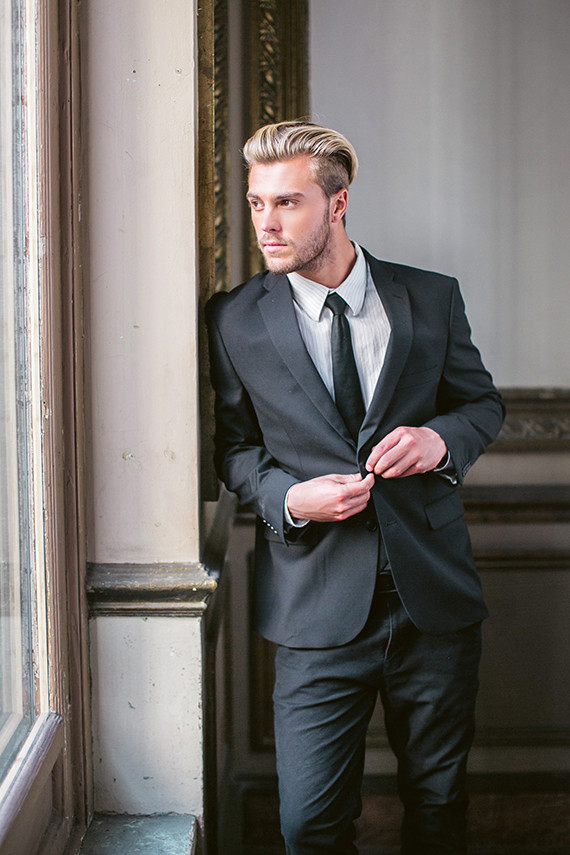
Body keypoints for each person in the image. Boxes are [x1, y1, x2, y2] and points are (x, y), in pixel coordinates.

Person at [206, 121, 505, 855]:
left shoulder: (430, 298)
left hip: (433, 602)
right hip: (313, 614)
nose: (267, 225)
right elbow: (234, 451)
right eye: (256, 203)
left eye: (288, 203)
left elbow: (481, 404)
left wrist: (442, 440)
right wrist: (286, 499)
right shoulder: (234, 319)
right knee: (309, 826)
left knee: (438, 807)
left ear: (338, 205)